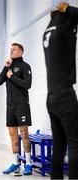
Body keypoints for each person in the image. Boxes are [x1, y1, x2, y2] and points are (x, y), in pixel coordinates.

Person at [43, 2, 78, 179]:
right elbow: (76, 14)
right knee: (75, 143)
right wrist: (65, 8)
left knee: (59, 144)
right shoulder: (62, 31)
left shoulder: (48, 33)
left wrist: (56, 14)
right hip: (65, 96)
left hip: (51, 98)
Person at [0, 43, 32, 175]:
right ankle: (15, 163)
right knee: (13, 137)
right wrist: (6, 68)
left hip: (22, 105)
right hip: (10, 107)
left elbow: (28, 84)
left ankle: (28, 164)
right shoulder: (8, 66)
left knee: (24, 135)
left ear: (21, 52)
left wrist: (12, 76)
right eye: (10, 49)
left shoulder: (25, 66)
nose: (11, 51)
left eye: (14, 49)